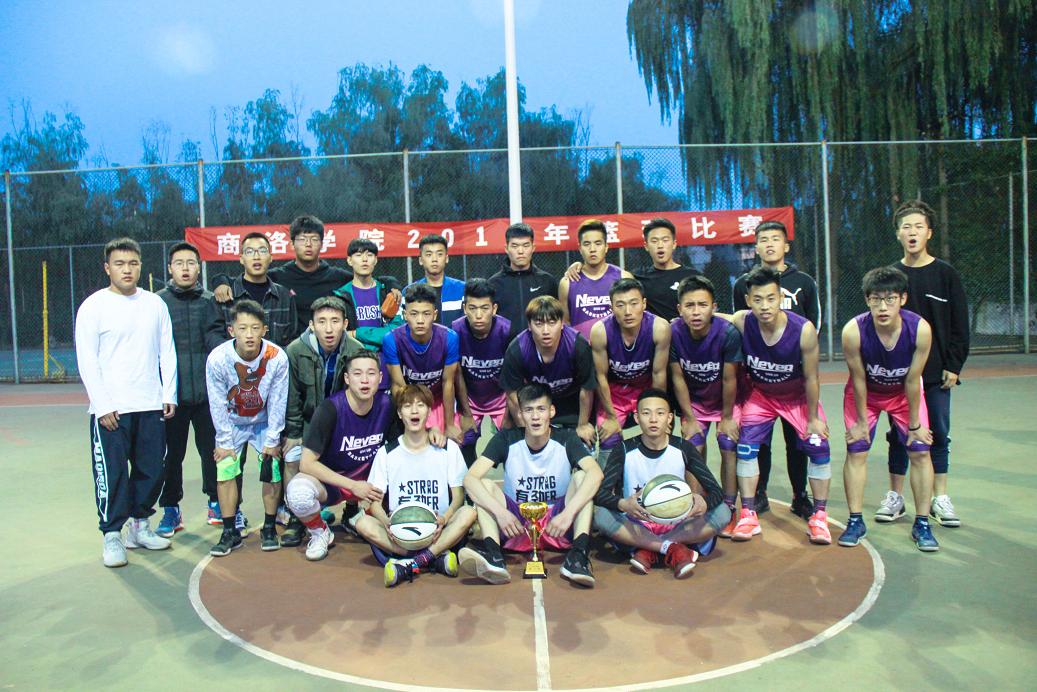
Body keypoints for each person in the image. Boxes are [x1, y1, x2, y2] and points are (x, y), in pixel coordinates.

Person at [75, 237, 177, 567]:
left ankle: (139, 527)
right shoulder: (93, 307)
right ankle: (112, 535)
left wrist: (168, 393)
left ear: (141, 266)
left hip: (149, 404)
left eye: (133, 263)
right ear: (107, 268)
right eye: (119, 264)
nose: (127, 269)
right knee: (114, 473)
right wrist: (102, 404)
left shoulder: (154, 304)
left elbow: (167, 351)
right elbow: (87, 359)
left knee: (152, 470)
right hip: (112, 410)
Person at [720, 266, 832, 545]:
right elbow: (718, 317)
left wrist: (814, 417)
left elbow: (812, 377)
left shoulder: (803, 330)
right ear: (748, 300)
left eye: (771, 298)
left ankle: (819, 517)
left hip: (796, 397)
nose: (765, 306)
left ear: (781, 297)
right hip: (762, 396)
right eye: (757, 300)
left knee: (819, 447)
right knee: (745, 448)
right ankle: (748, 514)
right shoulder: (743, 321)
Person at [880, 200, 969, 528]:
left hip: (935, 373)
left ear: (929, 232)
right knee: (898, 434)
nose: (912, 232)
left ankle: (939, 498)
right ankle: (895, 496)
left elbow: (960, 324)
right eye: (906, 227)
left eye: (918, 226)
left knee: (938, 433)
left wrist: (954, 365)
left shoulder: (946, 275)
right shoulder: (891, 276)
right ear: (898, 234)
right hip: (898, 374)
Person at [460, 384, 604, 587]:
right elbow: (470, 479)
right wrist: (501, 514)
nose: (535, 417)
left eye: (541, 409)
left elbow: (596, 474)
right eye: (529, 410)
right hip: (516, 525)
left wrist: (567, 514)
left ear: (551, 411)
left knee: (583, 477)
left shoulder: (567, 438)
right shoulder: (506, 438)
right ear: (520, 414)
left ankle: (577, 557)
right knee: (483, 484)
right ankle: (494, 557)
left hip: (557, 525)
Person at [840, 267, 939, 552]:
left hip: (903, 395)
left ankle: (922, 524)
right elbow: (858, 378)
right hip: (866, 395)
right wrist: (861, 422)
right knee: (857, 449)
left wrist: (915, 424)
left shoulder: (919, 329)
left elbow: (913, 379)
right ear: (867, 300)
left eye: (890, 299)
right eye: (876, 299)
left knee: (920, 451)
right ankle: (855, 520)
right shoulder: (853, 331)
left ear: (903, 299)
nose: (882, 307)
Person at [732, 220, 820, 519]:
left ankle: (800, 495)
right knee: (760, 440)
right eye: (764, 239)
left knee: (798, 441)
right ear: (756, 247)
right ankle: (759, 493)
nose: (769, 244)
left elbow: (814, 324)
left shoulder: (804, 282)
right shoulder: (744, 283)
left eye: (775, 238)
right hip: (760, 379)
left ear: (786, 245)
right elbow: (738, 324)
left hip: (794, 377)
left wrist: (791, 354)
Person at [594, 389, 730, 578]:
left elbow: (717, 491)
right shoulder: (623, 449)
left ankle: (649, 548)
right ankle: (671, 548)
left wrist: (704, 503)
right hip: (638, 522)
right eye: (646, 413)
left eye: (660, 413)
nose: (653, 419)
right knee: (601, 516)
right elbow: (600, 495)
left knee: (723, 512)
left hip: (677, 523)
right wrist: (624, 504)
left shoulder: (684, 448)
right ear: (637, 418)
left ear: (669, 418)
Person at [356, 384, 477, 587]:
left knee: (468, 512)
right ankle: (433, 558)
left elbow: (458, 497)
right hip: (400, 532)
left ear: (429, 411)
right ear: (399, 413)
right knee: (362, 523)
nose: (414, 411)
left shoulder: (448, 448)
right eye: (407, 406)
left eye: (420, 405)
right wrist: (386, 523)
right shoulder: (387, 453)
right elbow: (374, 503)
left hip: (438, 530)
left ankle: (409, 564)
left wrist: (444, 518)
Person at [284, 351, 398, 561]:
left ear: (380, 378)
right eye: (357, 374)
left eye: (371, 373)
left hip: (370, 483)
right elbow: (306, 464)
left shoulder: (387, 405)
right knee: (298, 494)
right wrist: (352, 486)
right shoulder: (330, 409)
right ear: (347, 378)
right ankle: (320, 532)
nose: (365, 380)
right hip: (334, 483)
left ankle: (361, 516)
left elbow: (398, 452)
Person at [205, 300, 290, 556]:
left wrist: (273, 440)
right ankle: (229, 530)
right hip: (232, 421)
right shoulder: (218, 359)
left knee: (272, 468)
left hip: (264, 420)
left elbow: (278, 400)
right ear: (232, 331)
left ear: (265, 329)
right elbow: (217, 402)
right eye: (243, 328)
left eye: (255, 328)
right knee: (225, 468)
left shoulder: (276, 357)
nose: (249, 335)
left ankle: (269, 527)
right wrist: (223, 441)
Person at [155, 242, 227, 536]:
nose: (185, 268)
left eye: (191, 263)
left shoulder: (211, 301)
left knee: (212, 452)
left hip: (208, 397)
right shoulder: (157, 303)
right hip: (172, 398)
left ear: (199, 268)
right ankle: (171, 509)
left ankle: (216, 502)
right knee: (171, 456)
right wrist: (163, 391)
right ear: (169, 268)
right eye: (179, 263)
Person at [281, 296, 365, 546]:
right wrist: (294, 433)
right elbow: (293, 396)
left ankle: (351, 509)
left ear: (345, 324)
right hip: (308, 422)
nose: (329, 329)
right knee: (293, 456)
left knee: (357, 451)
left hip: (342, 423)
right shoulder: (295, 351)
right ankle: (297, 517)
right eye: (322, 321)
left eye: (335, 321)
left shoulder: (355, 349)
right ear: (311, 325)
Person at [669, 276, 742, 514]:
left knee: (728, 444)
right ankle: (695, 503)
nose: (696, 311)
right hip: (696, 403)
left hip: (725, 403)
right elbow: (678, 378)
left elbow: (730, 379)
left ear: (714, 307)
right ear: (680, 309)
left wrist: (727, 418)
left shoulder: (728, 333)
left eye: (702, 305)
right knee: (693, 446)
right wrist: (689, 418)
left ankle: (729, 505)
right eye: (689, 305)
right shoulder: (673, 333)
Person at [213, 215, 352, 339]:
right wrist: (221, 282)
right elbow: (247, 280)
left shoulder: (337, 277)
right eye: (302, 239)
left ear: (322, 243)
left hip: (329, 343)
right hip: (295, 347)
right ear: (292, 244)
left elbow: (360, 281)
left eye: (314, 239)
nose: (308, 244)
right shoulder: (279, 276)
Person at [499, 296, 598, 448]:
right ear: (529, 325)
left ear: (562, 323)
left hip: (573, 403)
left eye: (552, 323)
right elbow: (512, 395)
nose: (546, 331)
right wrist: (526, 430)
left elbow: (587, 388)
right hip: (536, 402)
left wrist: (583, 424)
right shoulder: (516, 350)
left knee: (581, 446)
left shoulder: (578, 346)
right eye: (539, 323)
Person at [590, 278, 670, 456]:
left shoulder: (659, 328)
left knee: (659, 432)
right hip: (614, 393)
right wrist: (611, 417)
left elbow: (659, 374)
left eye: (634, 303)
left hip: (646, 390)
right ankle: (610, 475)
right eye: (620, 305)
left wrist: (659, 410)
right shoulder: (600, 331)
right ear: (611, 307)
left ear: (644, 304)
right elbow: (600, 376)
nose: (628, 311)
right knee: (608, 438)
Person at [382, 284, 462, 442]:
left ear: (435, 314)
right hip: (408, 399)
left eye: (426, 314)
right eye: (414, 314)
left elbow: (448, 383)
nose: (420, 320)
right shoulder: (391, 339)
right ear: (405, 315)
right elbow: (399, 386)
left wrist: (449, 424)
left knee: (451, 441)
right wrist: (420, 421)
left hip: (438, 400)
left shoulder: (450, 338)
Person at [451, 279, 513, 466]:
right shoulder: (454, 331)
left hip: (500, 397)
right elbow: (456, 375)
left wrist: (510, 414)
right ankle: (468, 482)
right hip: (470, 398)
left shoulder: (507, 330)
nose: (478, 315)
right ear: (464, 308)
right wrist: (466, 413)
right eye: (472, 308)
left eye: (484, 308)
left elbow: (515, 376)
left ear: (494, 309)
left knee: (514, 442)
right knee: (461, 440)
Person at [333, 237, 403, 389]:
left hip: (386, 365)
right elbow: (340, 335)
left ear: (376, 260)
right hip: (353, 364)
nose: (364, 259)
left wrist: (357, 333)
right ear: (349, 260)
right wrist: (377, 336)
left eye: (369, 255)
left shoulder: (389, 293)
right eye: (358, 255)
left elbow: (397, 332)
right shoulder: (340, 296)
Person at [215, 232, 297, 347]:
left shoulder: (285, 296)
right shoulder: (226, 294)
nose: (256, 257)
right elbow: (215, 336)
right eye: (249, 252)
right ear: (241, 259)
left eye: (262, 251)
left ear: (270, 257)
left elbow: (293, 338)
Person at [558, 219, 633, 339]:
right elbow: (565, 323)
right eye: (587, 244)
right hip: (581, 348)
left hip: (615, 348)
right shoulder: (567, 283)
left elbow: (632, 318)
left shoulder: (624, 278)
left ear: (606, 247)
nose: (592, 249)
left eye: (598, 243)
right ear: (580, 248)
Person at [489, 222, 560, 342]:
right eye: (515, 246)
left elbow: (557, 318)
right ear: (506, 248)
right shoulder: (493, 284)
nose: (520, 251)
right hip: (505, 349)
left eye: (526, 245)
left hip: (541, 348)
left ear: (533, 248)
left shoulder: (547, 281)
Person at [408, 234, 466, 326]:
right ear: (420, 260)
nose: (434, 259)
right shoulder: (409, 291)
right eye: (429, 254)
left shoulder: (463, 289)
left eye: (439, 254)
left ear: (446, 258)